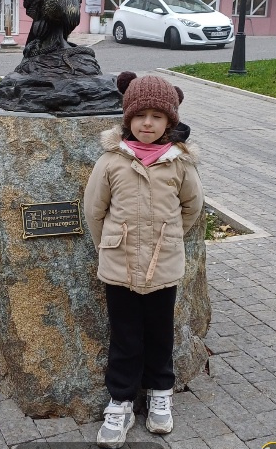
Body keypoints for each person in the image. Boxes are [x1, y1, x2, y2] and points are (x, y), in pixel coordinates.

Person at [84, 72, 204, 448]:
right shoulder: (111, 161)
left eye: (156, 116)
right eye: (139, 115)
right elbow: (94, 210)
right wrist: (108, 245)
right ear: (127, 119)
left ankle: (159, 393)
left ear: (170, 121)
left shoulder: (179, 164)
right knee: (125, 338)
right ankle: (120, 401)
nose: (147, 123)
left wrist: (169, 238)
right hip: (119, 268)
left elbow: (192, 207)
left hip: (163, 266)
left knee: (159, 335)